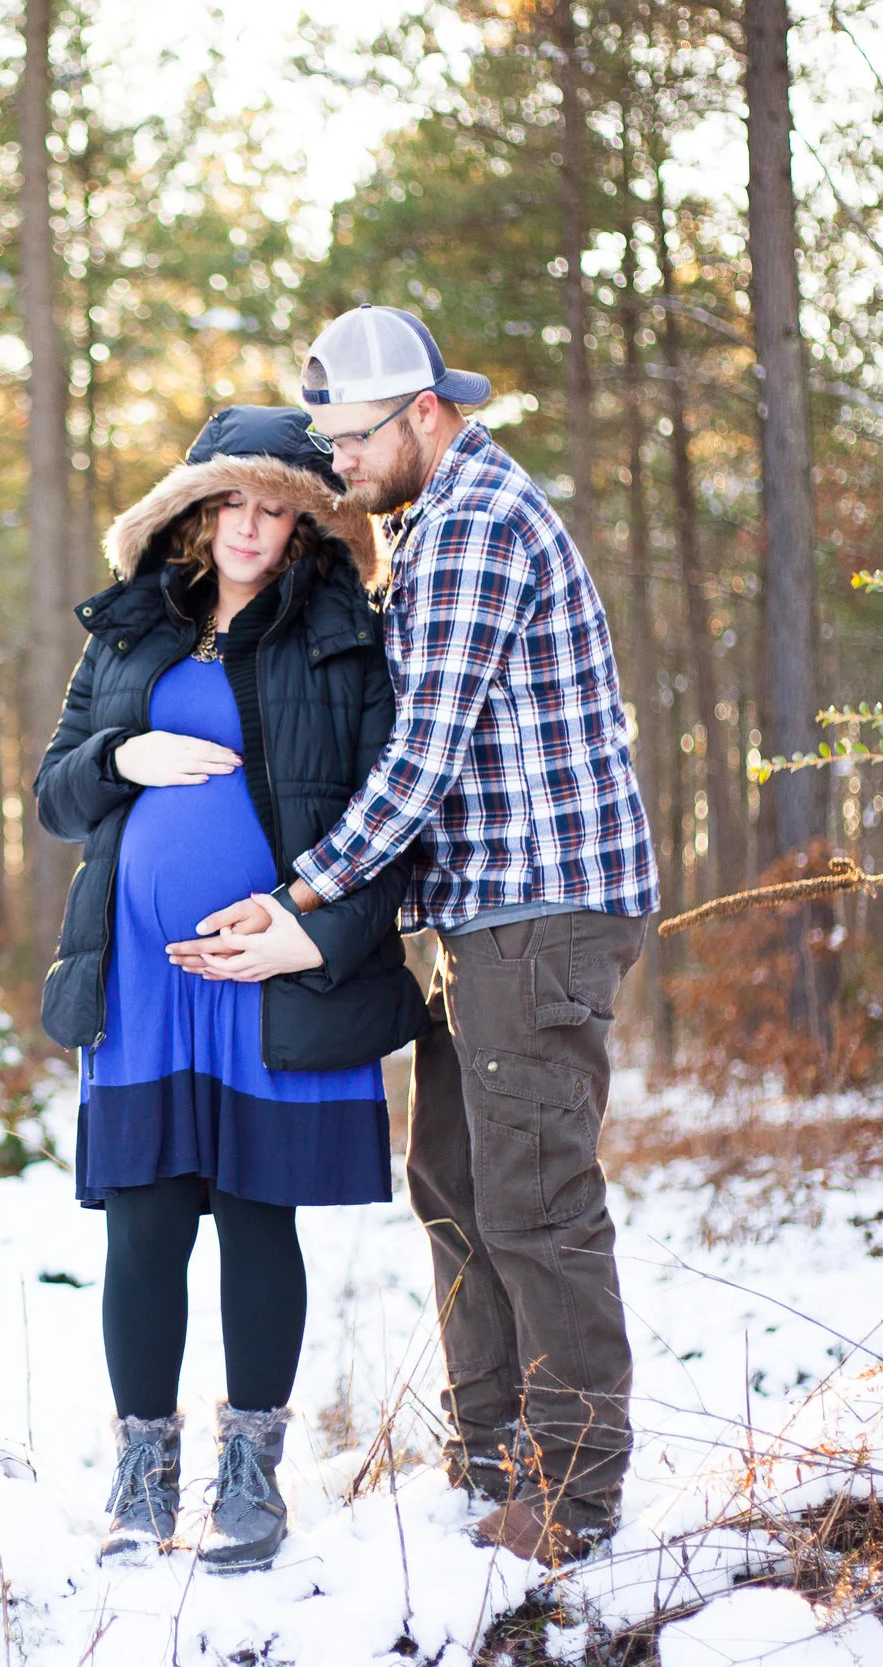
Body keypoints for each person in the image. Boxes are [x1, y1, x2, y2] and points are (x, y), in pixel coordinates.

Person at [174, 307, 660, 1566]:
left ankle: (571, 1492)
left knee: (535, 1198)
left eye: (349, 438)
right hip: (474, 914)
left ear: (425, 417)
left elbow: (422, 757)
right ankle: (489, 1451)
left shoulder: (477, 529)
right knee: (450, 1181)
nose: (334, 462)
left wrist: (307, 900)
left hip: (537, 909)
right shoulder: (428, 524)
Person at [35, 406, 429, 1574]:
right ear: (198, 511)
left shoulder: (344, 638)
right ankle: (143, 1475)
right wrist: (122, 756)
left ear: (309, 522)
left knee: (259, 1212)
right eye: (233, 503)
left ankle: (251, 1480)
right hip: (145, 978)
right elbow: (55, 793)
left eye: (279, 507)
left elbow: (390, 818)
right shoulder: (127, 632)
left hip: (276, 971)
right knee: (146, 1218)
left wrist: (310, 937)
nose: (254, 526)